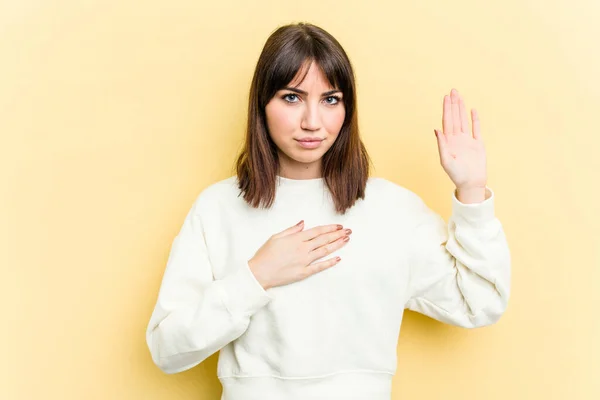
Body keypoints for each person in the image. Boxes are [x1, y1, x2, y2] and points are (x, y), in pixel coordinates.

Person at [145, 22, 511, 400]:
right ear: (262, 105)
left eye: (330, 99)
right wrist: (256, 278)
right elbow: (167, 348)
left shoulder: (392, 210)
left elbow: (480, 302)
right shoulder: (218, 208)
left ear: (347, 108)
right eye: (291, 97)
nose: (312, 122)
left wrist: (471, 192)